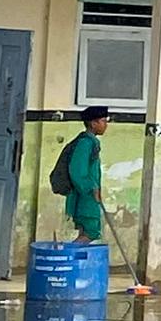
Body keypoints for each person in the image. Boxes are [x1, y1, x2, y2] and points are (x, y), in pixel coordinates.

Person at [50, 103, 110, 243]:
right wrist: (91, 188)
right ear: (93, 123)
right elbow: (77, 170)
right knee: (91, 231)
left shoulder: (91, 142)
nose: (106, 125)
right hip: (85, 196)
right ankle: (68, 257)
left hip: (88, 194)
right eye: (103, 121)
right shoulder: (85, 143)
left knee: (87, 230)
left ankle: (73, 260)